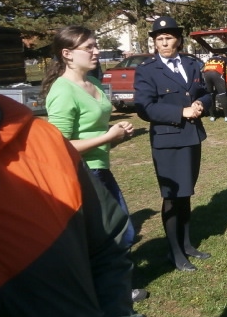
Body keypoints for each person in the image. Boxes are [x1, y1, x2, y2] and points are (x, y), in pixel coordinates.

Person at [0, 94, 144, 317]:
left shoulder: (41, 138)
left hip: (88, 169)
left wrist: (116, 310)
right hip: (90, 164)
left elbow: (108, 245)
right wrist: (107, 137)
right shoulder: (63, 92)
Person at [40, 25, 148, 303]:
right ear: (67, 54)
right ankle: (109, 292)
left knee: (117, 231)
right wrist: (107, 137)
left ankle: (112, 288)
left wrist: (118, 135)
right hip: (80, 174)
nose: (96, 51)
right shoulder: (63, 91)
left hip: (100, 168)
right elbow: (59, 147)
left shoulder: (94, 84)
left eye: (95, 45)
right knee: (113, 233)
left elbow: (95, 132)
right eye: (88, 47)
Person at [134, 16, 212, 272]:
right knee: (172, 196)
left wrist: (200, 104)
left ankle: (186, 244)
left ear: (178, 39)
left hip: (191, 137)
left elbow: (204, 92)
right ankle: (174, 251)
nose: (164, 43)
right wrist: (181, 112)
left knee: (186, 193)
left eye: (168, 38)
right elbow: (144, 107)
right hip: (167, 141)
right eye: (160, 39)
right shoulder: (147, 69)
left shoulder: (191, 63)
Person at [202, 53, 227, 122]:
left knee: (210, 94)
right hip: (217, 74)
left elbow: (203, 69)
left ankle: (212, 116)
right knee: (223, 94)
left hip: (206, 74)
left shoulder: (209, 59)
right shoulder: (226, 59)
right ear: (224, 55)